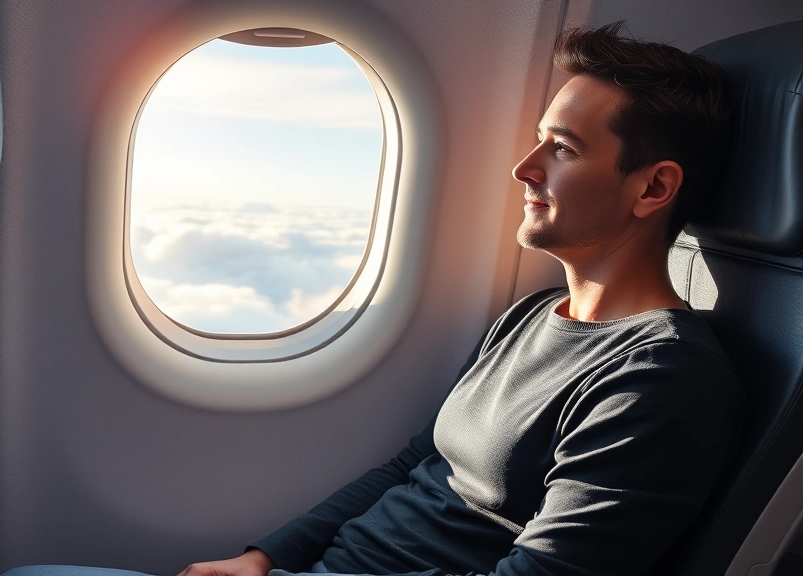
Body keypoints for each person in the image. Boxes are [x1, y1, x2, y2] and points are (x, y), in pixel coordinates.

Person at [175, 21, 741, 576]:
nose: (525, 168)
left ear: (654, 188)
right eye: (539, 139)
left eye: (563, 148)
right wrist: (262, 558)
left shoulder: (661, 377)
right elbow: (412, 466)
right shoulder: (529, 316)